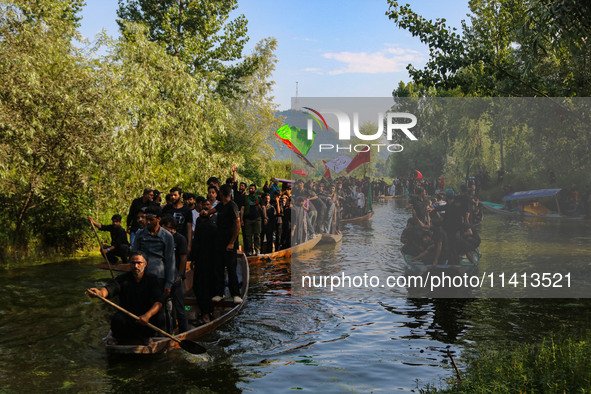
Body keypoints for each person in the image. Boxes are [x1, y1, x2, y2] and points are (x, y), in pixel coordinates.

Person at [86, 251, 165, 345]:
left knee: (160, 318)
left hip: (145, 317)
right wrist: (99, 293)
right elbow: (109, 289)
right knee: (117, 319)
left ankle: (146, 337)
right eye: (133, 263)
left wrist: (147, 315)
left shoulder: (152, 279)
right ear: (129, 264)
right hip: (128, 315)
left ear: (145, 264)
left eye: (139, 263)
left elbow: (159, 302)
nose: (136, 266)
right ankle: (117, 337)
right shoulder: (123, 279)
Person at [201, 184, 242, 304]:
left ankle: (235, 293)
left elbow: (237, 224)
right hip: (219, 241)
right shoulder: (221, 205)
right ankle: (220, 292)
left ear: (222, 194)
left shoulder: (232, 205)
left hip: (230, 242)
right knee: (218, 267)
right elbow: (211, 211)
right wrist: (205, 212)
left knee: (231, 268)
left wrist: (232, 242)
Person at [131, 205, 176, 298]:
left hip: (158, 276)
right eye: (146, 219)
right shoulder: (140, 234)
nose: (148, 222)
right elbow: (134, 254)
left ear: (158, 219)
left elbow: (170, 260)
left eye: (151, 220)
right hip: (142, 275)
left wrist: (169, 283)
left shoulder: (167, 236)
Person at [160, 215, 188, 333]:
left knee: (179, 307)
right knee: (163, 307)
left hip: (176, 276)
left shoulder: (180, 239)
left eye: (167, 228)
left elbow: (183, 258)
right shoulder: (161, 238)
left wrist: (180, 275)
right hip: (163, 275)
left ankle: (184, 332)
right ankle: (167, 330)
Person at [162, 187, 193, 254]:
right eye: (171, 195)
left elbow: (189, 228)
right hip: (167, 239)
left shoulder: (187, 210)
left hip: (182, 240)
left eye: (175, 195)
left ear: (180, 196)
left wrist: (189, 245)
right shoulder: (166, 209)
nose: (173, 197)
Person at [241, 184, 265, 256]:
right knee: (248, 236)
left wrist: (265, 217)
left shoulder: (259, 198)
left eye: (252, 188)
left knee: (257, 235)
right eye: (250, 188)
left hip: (257, 219)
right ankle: (250, 250)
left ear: (255, 189)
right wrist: (241, 219)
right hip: (248, 219)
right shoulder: (245, 198)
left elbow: (263, 208)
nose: (251, 190)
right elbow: (242, 209)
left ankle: (257, 250)